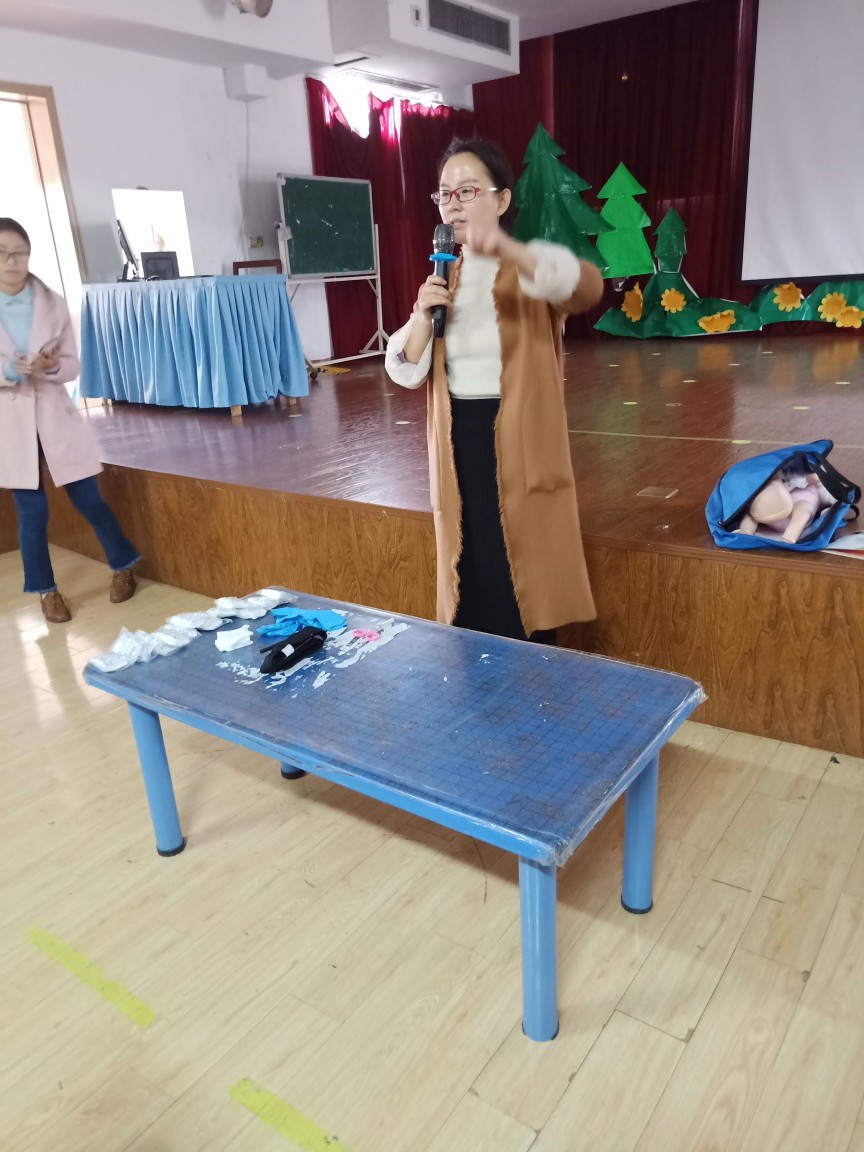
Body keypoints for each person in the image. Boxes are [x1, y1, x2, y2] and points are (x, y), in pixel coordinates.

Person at [385, 139, 604, 642]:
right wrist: (422, 314)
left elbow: (584, 287)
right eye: (444, 194)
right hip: (460, 440)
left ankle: (530, 667)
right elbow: (406, 370)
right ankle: (475, 666)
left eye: (467, 190)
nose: (453, 204)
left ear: (502, 200)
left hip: (520, 441)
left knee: (522, 570)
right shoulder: (443, 278)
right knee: (471, 565)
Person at [0, 217, 140, 623]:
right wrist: (9, 370)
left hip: (54, 415)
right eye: (2, 253)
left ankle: (123, 566)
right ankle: (46, 592)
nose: (11, 261)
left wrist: (50, 366)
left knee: (89, 500)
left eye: (19, 252)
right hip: (12, 421)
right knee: (32, 513)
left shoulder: (52, 302)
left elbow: (73, 365)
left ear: (29, 255)